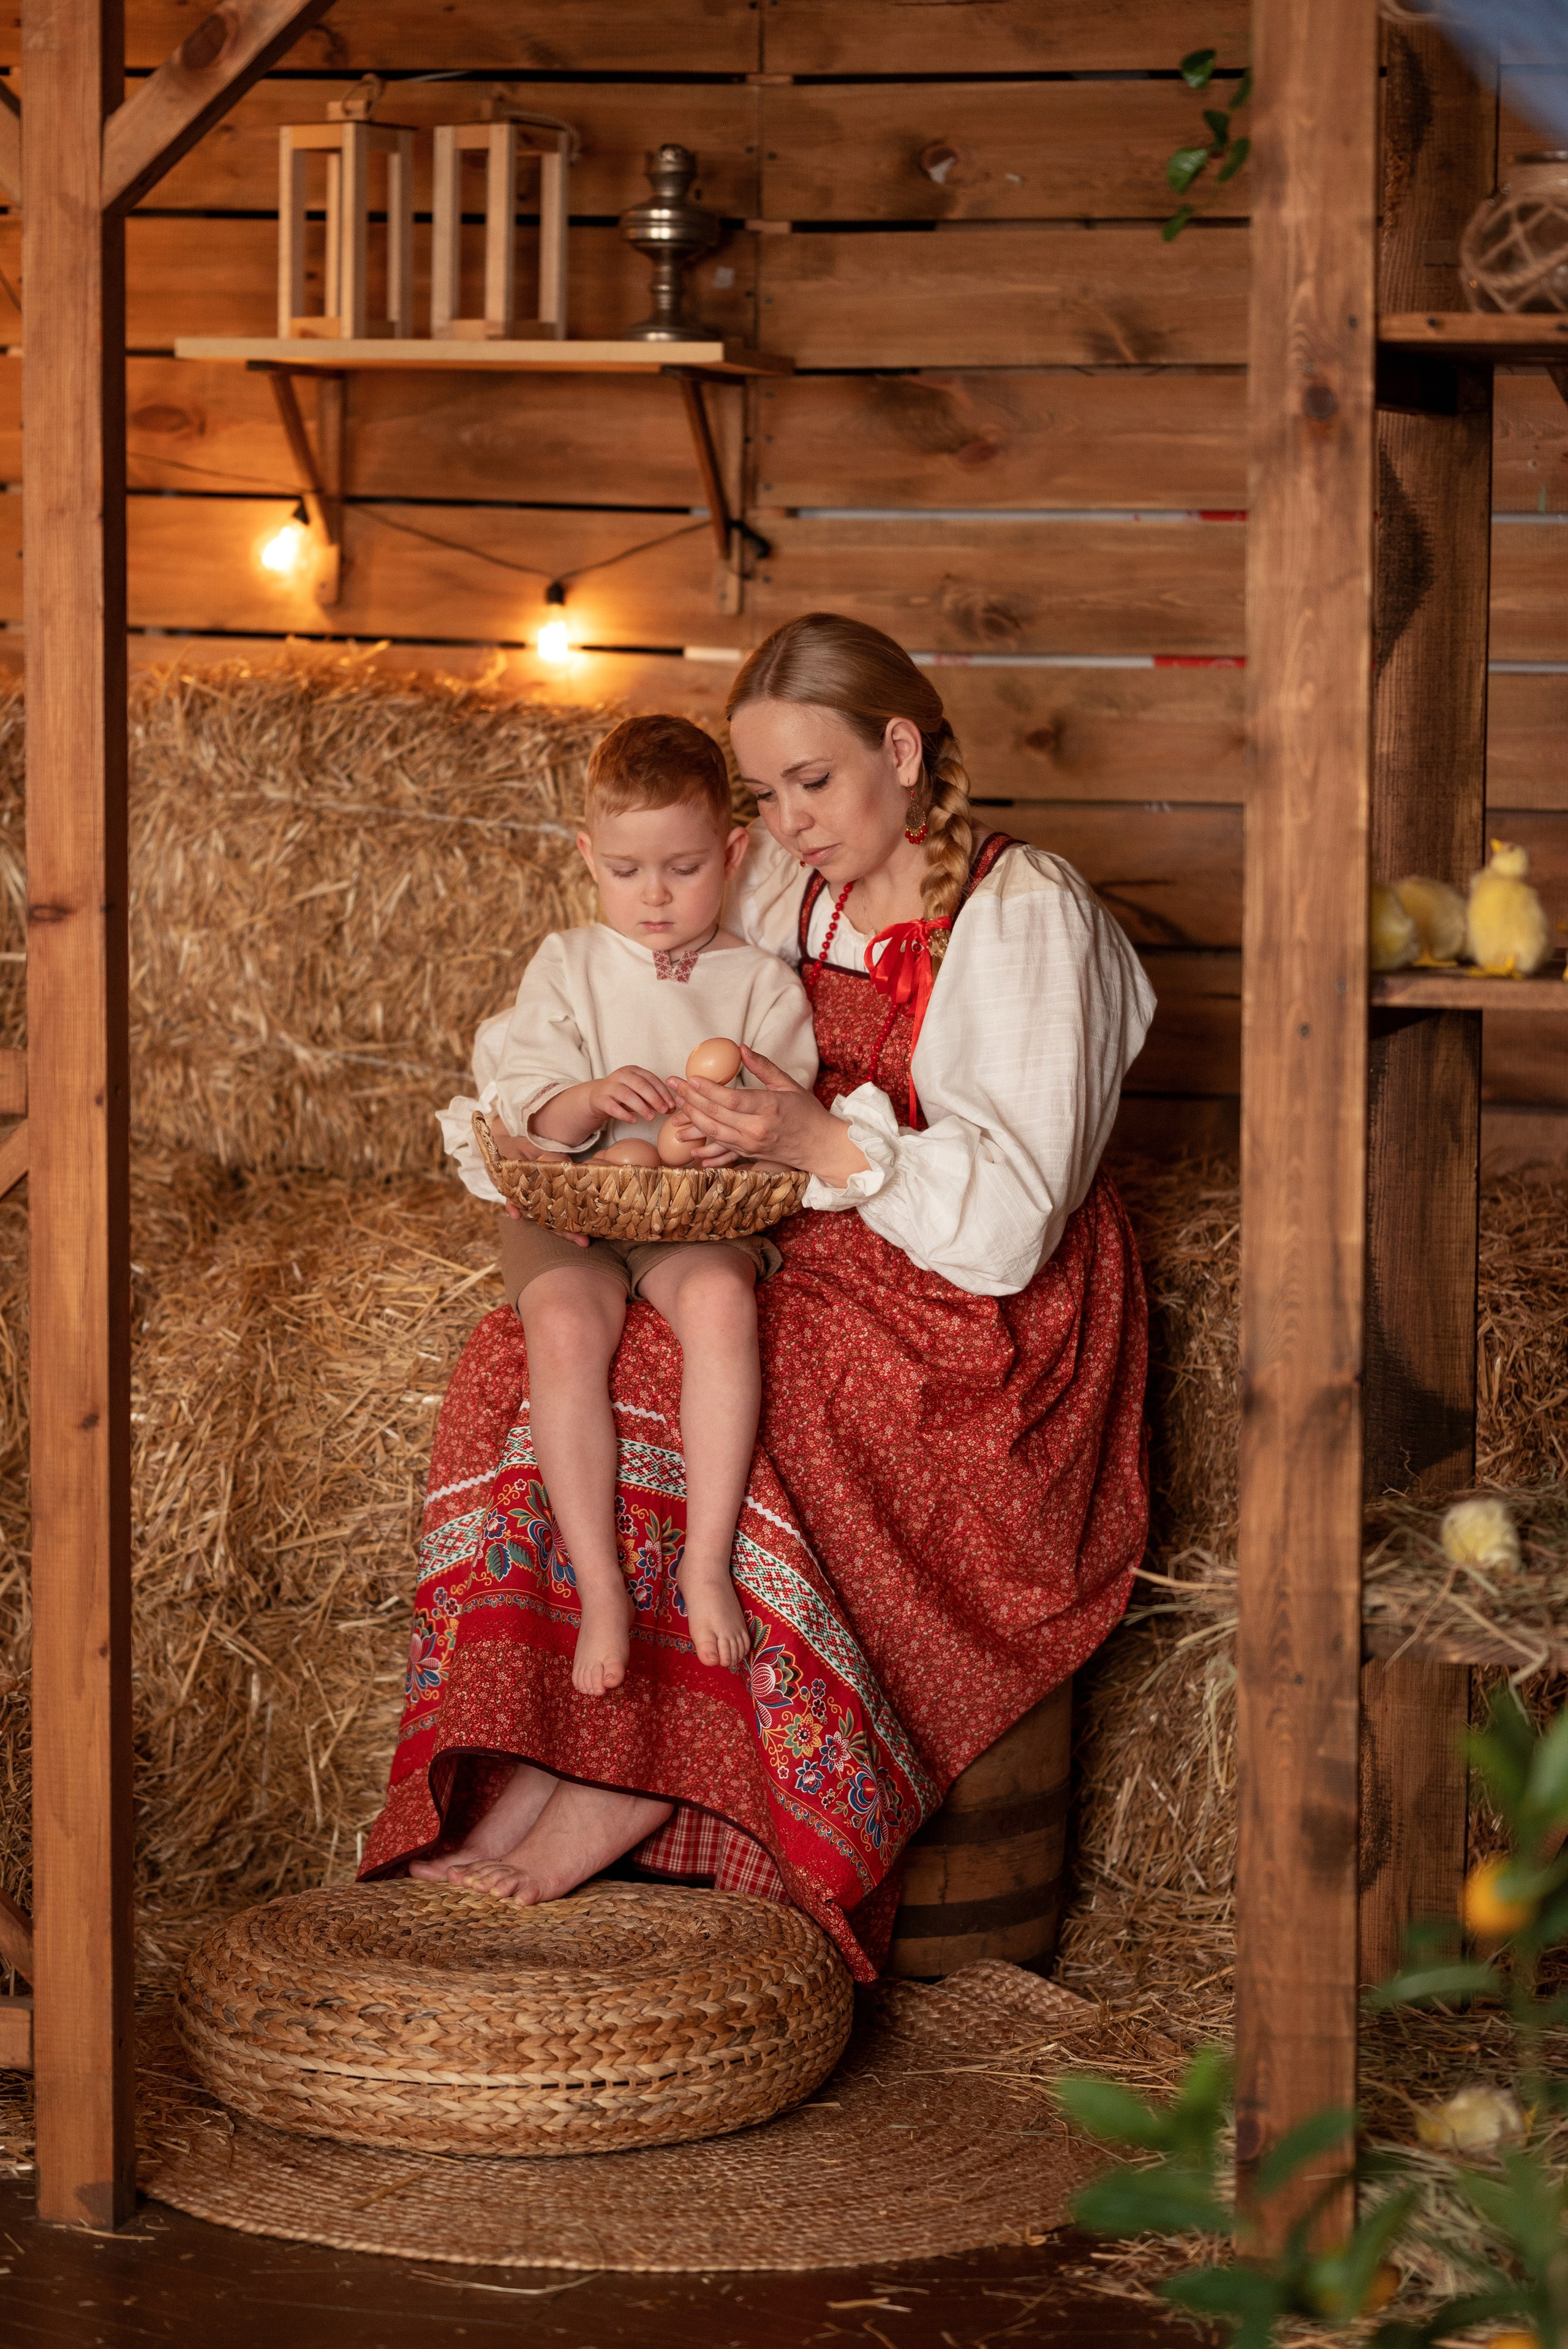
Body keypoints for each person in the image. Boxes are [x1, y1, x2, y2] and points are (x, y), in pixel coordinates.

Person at [369, 613, 1155, 1981]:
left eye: (814, 781)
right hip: (817, 1233)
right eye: (766, 793)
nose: (789, 820)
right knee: (526, 1352)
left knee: (725, 1363)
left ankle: (653, 1775)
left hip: (977, 1300)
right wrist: (602, 1117)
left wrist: (798, 1139)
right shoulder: (788, 893)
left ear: (900, 751)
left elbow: (1013, 1219)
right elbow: (641, 981)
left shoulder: (1024, 912)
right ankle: (578, 1740)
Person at [435, 712, 816, 1695]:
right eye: (625, 870)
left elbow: (782, 1117)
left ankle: (704, 1562)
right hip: (571, 1207)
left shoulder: (761, 987)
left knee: (723, 1306)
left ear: (734, 852)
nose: (653, 897)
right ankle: (601, 1584)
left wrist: (706, 1143)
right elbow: (527, 1105)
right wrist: (589, 1101)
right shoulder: (567, 965)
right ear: (585, 857)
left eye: (684, 869)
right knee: (563, 1323)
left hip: (695, 1216)